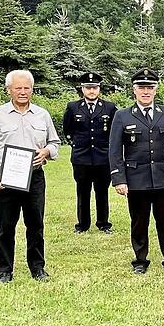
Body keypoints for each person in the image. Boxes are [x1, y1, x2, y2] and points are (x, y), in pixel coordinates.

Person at [0, 70, 61, 283]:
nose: (23, 92)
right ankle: (5, 270)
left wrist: (46, 152)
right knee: (6, 226)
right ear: (9, 90)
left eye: (27, 88)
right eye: (18, 88)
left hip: (34, 178)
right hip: (6, 179)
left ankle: (37, 268)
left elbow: (55, 143)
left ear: (32, 90)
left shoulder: (42, 114)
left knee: (35, 224)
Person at [109, 68, 164, 275]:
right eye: (142, 88)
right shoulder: (122, 115)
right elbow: (115, 150)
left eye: (150, 87)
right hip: (136, 179)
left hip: (163, 177)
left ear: (156, 90)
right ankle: (140, 259)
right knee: (139, 221)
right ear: (134, 90)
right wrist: (119, 179)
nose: (146, 92)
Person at [62, 72, 118, 235]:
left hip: (102, 157)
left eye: (94, 88)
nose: (91, 91)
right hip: (81, 158)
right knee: (82, 192)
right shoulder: (73, 107)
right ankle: (82, 225)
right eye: (88, 88)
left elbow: (114, 132)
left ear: (99, 89)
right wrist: (76, 144)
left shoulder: (109, 107)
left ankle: (103, 224)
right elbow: (68, 130)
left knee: (102, 192)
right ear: (82, 89)